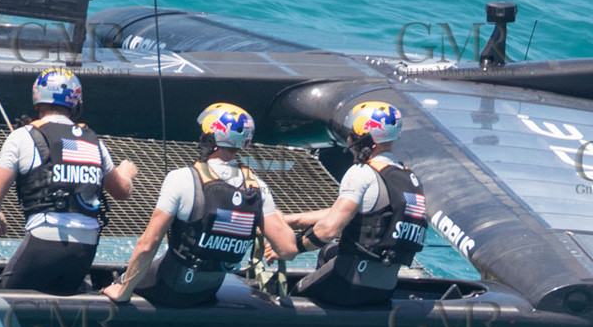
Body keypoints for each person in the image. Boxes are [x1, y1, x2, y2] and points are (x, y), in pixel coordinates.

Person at [102, 103, 297, 307]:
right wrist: (266, 207)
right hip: (207, 291)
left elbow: (147, 245)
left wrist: (122, 290)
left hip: (171, 288)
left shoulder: (181, 178)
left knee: (117, 281)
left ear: (209, 139)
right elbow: (288, 249)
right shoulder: (258, 187)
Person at [0, 68, 137, 294]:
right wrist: (126, 172)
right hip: (85, 248)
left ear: (37, 100)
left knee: (3, 299)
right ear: (75, 103)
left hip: (44, 240)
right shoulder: (94, 143)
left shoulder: (22, 137)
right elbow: (122, 191)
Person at [287, 101, 425, 306]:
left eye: (352, 134)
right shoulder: (408, 177)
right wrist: (291, 220)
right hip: (384, 288)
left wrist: (291, 247)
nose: (349, 139)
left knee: (294, 296)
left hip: (349, 285)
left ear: (366, 140)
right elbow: (354, 212)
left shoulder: (361, 173)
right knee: (329, 253)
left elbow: (327, 230)